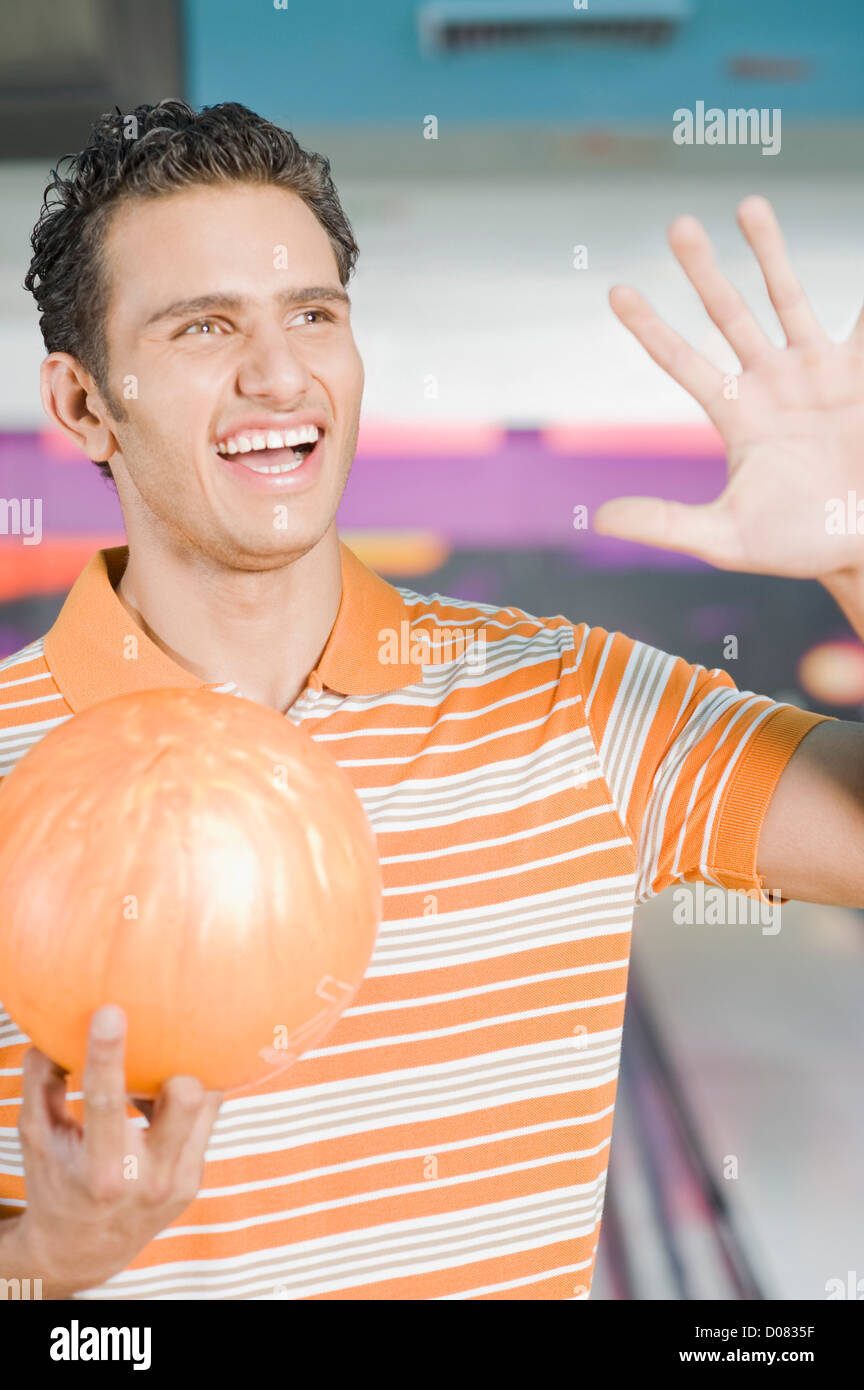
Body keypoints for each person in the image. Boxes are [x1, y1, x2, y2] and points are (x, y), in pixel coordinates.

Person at [0, 100, 862, 1301]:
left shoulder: (575, 701)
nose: (278, 372)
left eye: (312, 313)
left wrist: (858, 559)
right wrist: (44, 1263)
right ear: (88, 403)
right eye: (204, 326)